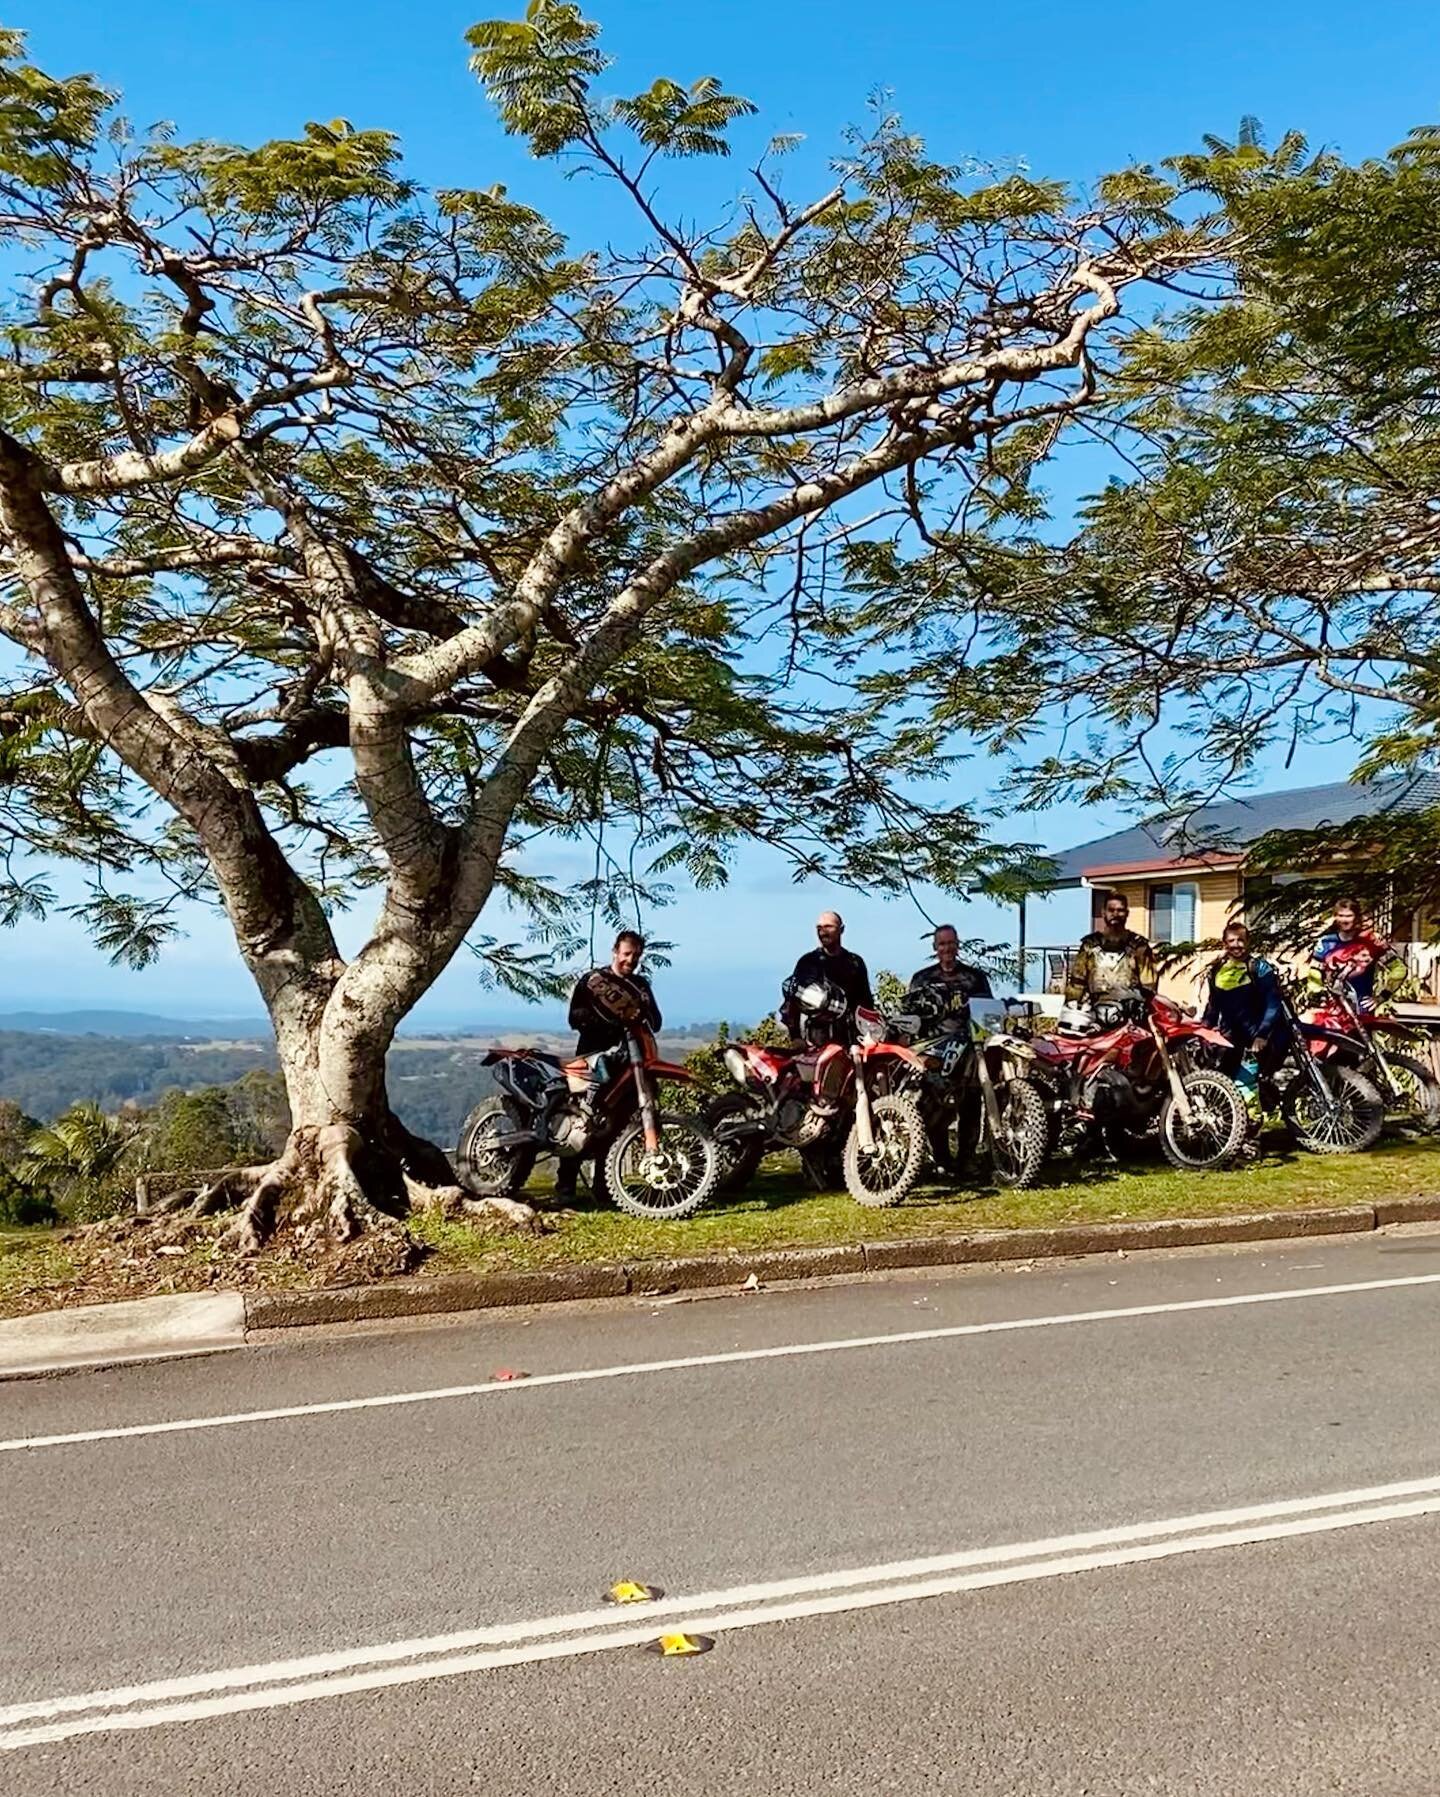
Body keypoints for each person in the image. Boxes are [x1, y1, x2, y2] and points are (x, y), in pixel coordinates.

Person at [554, 930, 661, 1199]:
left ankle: (603, 1185)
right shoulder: (592, 981)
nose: (631, 960)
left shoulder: (641, 985)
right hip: (592, 1058)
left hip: (628, 1061)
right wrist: (609, 1019)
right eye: (627, 954)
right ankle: (565, 1186)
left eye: (636, 955)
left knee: (615, 1124)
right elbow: (574, 1017)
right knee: (581, 1119)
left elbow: (657, 1022)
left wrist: (642, 1009)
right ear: (615, 952)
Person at [1201, 921, 1286, 1079]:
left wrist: (1262, 1035)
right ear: (1225, 944)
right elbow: (1213, 1005)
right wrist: (1205, 1030)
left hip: (1257, 1039)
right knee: (1227, 1084)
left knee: (1258, 1085)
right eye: (1231, 941)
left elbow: (1273, 1004)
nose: (1236, 945)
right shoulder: (1217, 971)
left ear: (1248, 942)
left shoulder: (1260, 968)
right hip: (1230, 1039)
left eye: (1240, 940)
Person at [780, 911, 873, 1041]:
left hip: (850, 1038)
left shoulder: (855, 962)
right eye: (819, 928)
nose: (823, 932)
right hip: (817, 1038)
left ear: (841, 930)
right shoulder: (808, 962)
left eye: (828, 927)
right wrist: (796, 1037)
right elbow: (792, 1003)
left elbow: (866, 1002)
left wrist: (866, 1036)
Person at [1309, 897, 1407, 1013]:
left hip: (1362, 1013)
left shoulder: (1372, 943)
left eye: (1349, 916)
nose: (1345, 920)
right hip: (1330, 1014)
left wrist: (1381, 997)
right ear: (1335, 917)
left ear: (1357, 918)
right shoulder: (1325, 943)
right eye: (1341, 916)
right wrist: (1318, 994)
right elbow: (1314, 973)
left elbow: (1399, 969)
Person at [1064, 893, 1157, 1008]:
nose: (1115, 914)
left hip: (1130, 1014)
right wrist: (1071, 1006)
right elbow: (1077, 983)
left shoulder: (1139, 946)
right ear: (1104, 913)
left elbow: (1149, 986)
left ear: (1127, 913)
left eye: (1120, 910)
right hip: (1094, 1011)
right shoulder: (1089, 946)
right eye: (1111, 910)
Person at [908, 923, 993, 1024]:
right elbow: (910, 1016)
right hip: (932, 1037)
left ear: (957, 944)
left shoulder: (975, 977)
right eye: (942, 944)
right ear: (935, 947)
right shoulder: (921, 979)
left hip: (968, 1036)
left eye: (951, 943)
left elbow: (990, 1012)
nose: (947, 948)